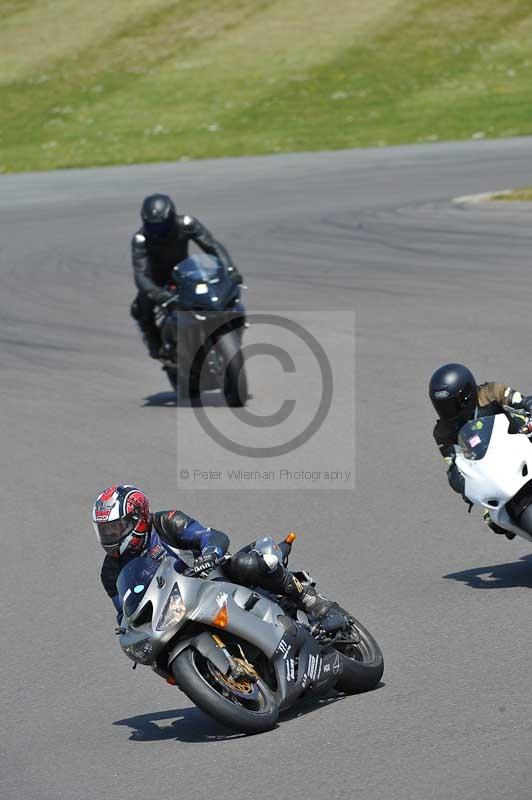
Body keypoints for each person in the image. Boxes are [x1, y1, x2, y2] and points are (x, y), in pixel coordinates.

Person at [92, 485, 333, 624]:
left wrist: (209, 554)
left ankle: (307, 598)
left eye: (115, 527)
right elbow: (125, 612)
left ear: (138, 518)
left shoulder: (165, 522)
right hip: (177, 612)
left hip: (213, 578)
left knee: (245, 564)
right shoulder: (110, 572)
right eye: (105, 530)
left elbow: (211, 536)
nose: (110, 535)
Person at [130, 194, 242, 358]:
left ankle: (231, 323)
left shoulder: (186, 224)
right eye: (153, 227)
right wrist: (158, 294)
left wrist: (230, 270)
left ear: (171, 217)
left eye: (161, 226)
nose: (157, 231)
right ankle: (156, 345)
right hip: (157, 282)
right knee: (140, 309)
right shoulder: (140, 239)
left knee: (217, 291)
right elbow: (140, 274)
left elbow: (212, 246)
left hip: (185, 274)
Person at [429, 363, 532, 536]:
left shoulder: (491, 392)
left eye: (450, 405)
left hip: (519, 439)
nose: (446, 411)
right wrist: (461, 485)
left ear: (466, 396)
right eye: (441, 406)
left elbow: (522, 401)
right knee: (493, 520)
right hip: (490, 471)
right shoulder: (443, 433)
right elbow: (453, 463)